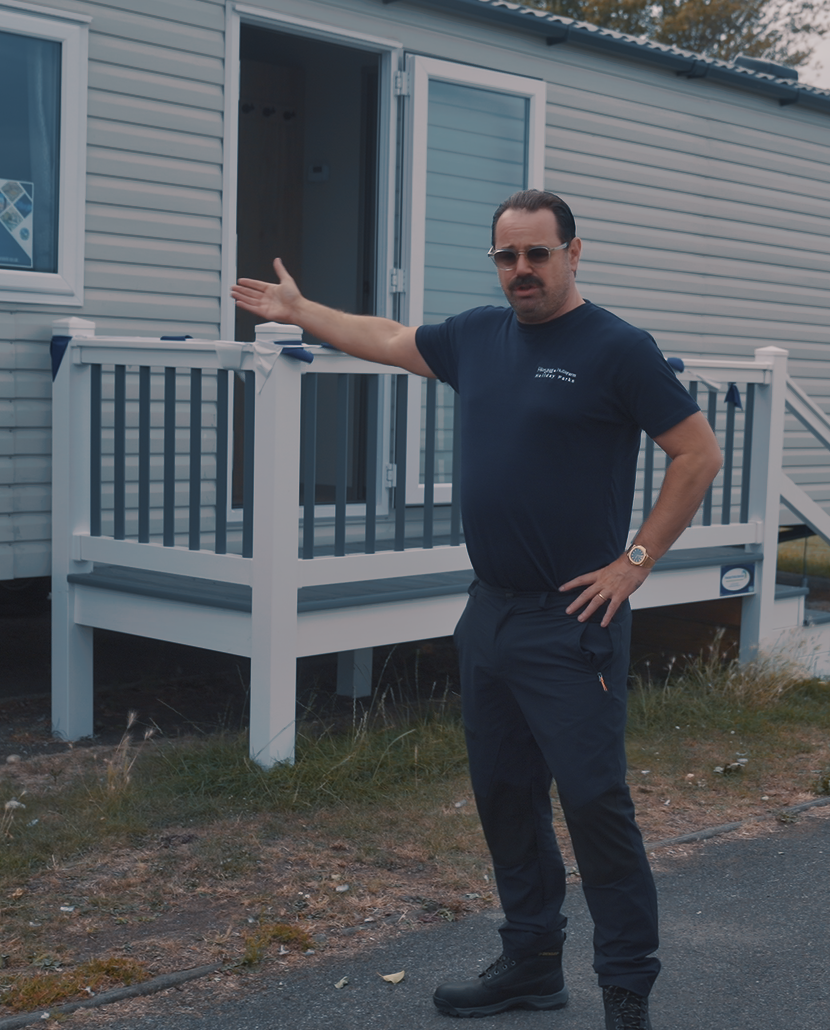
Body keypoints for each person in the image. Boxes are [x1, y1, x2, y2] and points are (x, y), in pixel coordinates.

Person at [231, 190, 722, 1030]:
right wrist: (301, 310)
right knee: (504, 796)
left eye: (537, 253)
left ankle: (626, 989)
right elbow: (388, 338)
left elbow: (697, 453)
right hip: (490, 614)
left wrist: (634, 563)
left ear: (573, 252)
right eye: (507, 256)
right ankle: (531, 963)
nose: (522, 270)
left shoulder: (617, 349)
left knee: (595, 806)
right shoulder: (477, 337)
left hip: (573, 623)